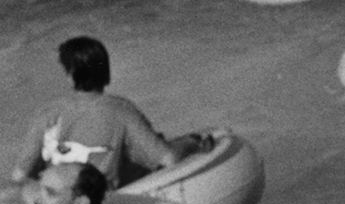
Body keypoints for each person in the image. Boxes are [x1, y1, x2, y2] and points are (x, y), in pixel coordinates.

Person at [11, 36, 209, 189]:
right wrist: (189, 144)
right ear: (105, 72)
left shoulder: (48, 112)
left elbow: (20, 175)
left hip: (57, 200)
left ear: (71, 77)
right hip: (105, 203)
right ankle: (193, 141)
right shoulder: (121, 110)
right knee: (141, 156)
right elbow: (169, 160)